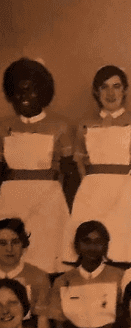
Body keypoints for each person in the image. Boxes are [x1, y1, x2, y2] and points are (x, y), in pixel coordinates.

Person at [66, 65, 131, 264]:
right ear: (96, 92)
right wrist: (88, 192)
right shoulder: (84, 124)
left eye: (116, 86)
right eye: (104, 87)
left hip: (127, 195)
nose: (111, 93)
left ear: (125, 90)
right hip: (92, 197)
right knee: (92, 253)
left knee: (126, 254)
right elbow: (81, 166)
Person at [0, 58, 71, 274]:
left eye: (30, 91)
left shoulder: (59, 126)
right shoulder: (3, 127)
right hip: (11, 200)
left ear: (42, 92)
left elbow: (69, 173)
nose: (24, 98)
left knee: (47, 257)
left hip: (48, 201)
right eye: (18, 92)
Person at [48, 221, 122, 328]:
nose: (92, 247)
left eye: (98, 242)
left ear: (106, 245)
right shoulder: (62, 281)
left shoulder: (119, 276)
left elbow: (125, 324)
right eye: (86, 241)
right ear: (76, 246)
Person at [0, 218, 51, 328]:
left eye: (15, 242)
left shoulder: (38, 277)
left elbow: (42, 327)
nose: (9, 249)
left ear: (23, 244)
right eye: (2, 243)